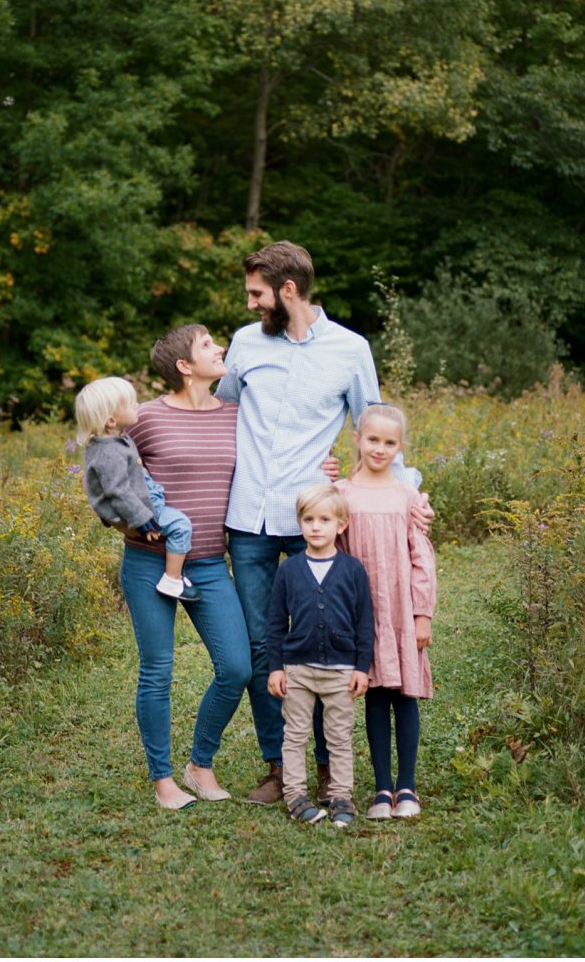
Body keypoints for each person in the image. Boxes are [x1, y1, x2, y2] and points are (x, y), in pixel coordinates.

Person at [215, 239, 433, 804]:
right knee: (268, 648)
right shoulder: (243, 345)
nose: (249, 304)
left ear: (288, 291)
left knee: (324, 640)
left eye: (257, 294)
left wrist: (407, 493)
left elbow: (375, 426)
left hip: (316, 515)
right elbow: (220, 417)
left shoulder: (350, 349)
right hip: (248, 520)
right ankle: (279, 769)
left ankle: (327, 763)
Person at [119, 325, 252, 810]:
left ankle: (201, 763)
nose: (220, 349)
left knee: (237, 667)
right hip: (148, 564)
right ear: (184, 365)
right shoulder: (146, 418)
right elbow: (107, 471)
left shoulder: (236, 417)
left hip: (211, 564)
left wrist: (322, 470)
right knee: (158, 671)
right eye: (207, 345)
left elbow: (270, 462)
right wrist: (125, 522)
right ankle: (163, 781)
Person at [336, 403, 437, 820]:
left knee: (404, 694)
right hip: (363, 612)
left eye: (390, 442)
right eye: (373, 440)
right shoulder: (342, 493)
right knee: (375, 694)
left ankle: (407, 786)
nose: (380, 449)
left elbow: (421, 556)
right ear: (357, 440)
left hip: (400, 607)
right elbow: (335, 555)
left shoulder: (407, 496)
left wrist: (422, 614)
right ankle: (381, 789)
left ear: (400, 447)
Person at [266, 484, 373, 827]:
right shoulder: (289, 570)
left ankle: (341, 795)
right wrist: (275, 668)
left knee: (339, 735)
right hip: (298, 669)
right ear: (300, 523)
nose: (315, 526)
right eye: (308, 519)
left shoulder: (353, 570)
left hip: (341, 670)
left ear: (340, 525)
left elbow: (365, 622)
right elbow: (275, 623)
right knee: (295, 734)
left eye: (324, 519)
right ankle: (295, 794)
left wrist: (361, 666)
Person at [75, 376, 200, 603]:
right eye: (130, 403)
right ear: (111, 420)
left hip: (142, 501)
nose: (137, 405)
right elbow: (117, 492)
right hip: (140, 509)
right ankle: (173, 579)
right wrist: (143, 520)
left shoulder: (115, 440)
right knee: (181, 526)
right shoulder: (108, 452)